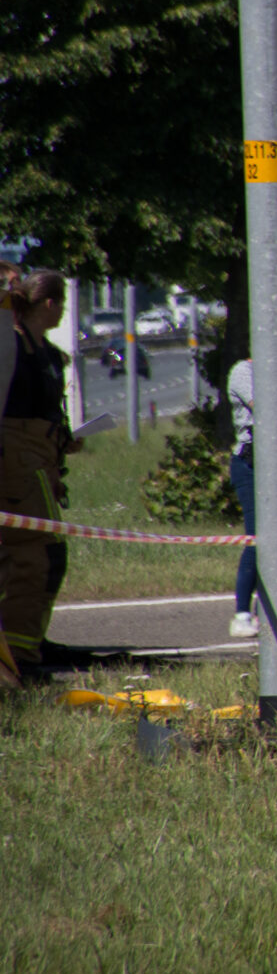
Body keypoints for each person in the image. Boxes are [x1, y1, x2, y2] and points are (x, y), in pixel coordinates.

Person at [1, 268, 77, 682]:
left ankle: (24, 645)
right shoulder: (11, 346)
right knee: (40, 553)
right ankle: (19, 655)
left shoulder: (46, 353)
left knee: (36, 554)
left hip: (40, 459)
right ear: (50, 303)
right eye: (61, 302)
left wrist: (62, 440)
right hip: (18, 462)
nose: (62, 311)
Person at [226, 352, 260, 639]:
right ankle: (242, 615)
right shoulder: (243, 371)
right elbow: (264, 407)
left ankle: (267, 611)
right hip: (249, 464)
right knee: (257, 538)